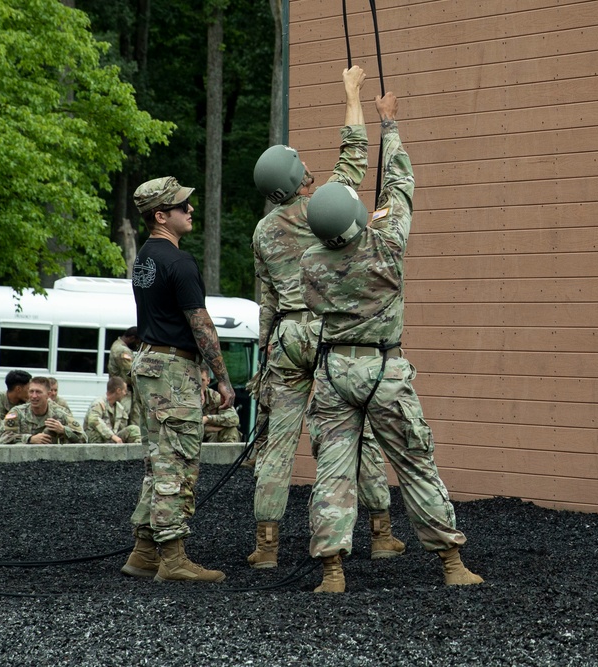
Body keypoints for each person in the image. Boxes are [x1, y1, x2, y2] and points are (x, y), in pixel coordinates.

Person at [299, 91, 483, 592]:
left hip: (334, 373)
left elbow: (315, 304)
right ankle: (450, 563)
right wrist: (389, 124)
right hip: (384, 370)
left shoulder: (311, 263)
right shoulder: (386, 244)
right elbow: (400, 184)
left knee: (333, 473)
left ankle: (332, 570)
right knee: (415, 462)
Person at [247, 65, 405, 569]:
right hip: (329, 332)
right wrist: (353, 93)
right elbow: (354, 152)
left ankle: (266, 546)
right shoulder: (324, 209)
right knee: (352, 430)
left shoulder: (263, 232)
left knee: (278, 442)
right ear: (298, 179)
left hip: (287, 336)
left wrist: (267, 347)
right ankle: (381, 532)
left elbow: (266, 298)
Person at [119, 176, 236, 584]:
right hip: (172, 371)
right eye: (182, 206)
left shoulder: (145, 259)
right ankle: (173, 558)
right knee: (177, 462)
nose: (190, 210)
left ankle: (144, 552)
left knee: (157, 460)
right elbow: (201, 325)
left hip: (150, 362)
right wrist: (222, 379)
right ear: (160, 215)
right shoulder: (178, 261)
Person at [0, 376, 85, 444]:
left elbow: (84, 438)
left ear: (48, 395)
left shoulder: (60, 414)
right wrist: (30, 439)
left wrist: (63, 430)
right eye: (31, 391)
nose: (34, 396)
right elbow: (2, 438)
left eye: (38, 392)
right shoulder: (17, 412)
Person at [84, 376, 140, 444]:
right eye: (124, 391)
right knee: (97, 432)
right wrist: (112, 436)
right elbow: (93, 420)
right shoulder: (99, 403)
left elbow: (122, 428)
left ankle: (139, 453)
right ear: (118, 390)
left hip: (112, 440)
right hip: (97, 440)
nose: (125, 394)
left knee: (134, 429)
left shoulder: (120, 408)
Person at [108, 326, 142, 427]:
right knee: (123, 421)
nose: (137, 345)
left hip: (122, 390)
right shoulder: (122, 350)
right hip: (123, 392)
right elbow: (131, 373)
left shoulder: (117, 345)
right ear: (132, 338)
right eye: (137, 342)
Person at [199, 364, 240, 443]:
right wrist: (205, 428)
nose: (199, 384)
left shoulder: (214, 397)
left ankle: (230, 455)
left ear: (208, 381)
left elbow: (234, 419)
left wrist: (207, 419)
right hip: (188, 438)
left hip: (210, 439)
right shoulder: (182, 397)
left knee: (231, 430)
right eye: (196, 380)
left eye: (202, 380)